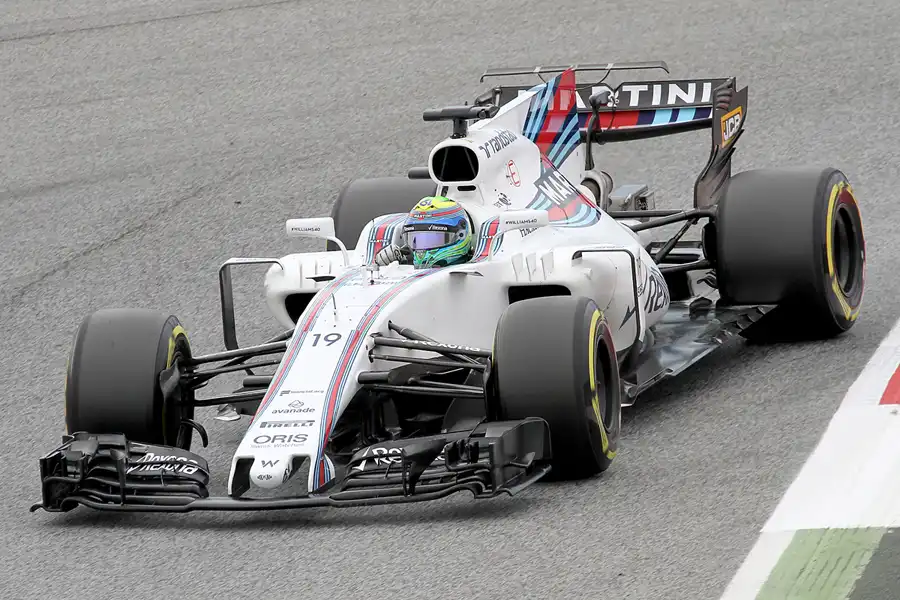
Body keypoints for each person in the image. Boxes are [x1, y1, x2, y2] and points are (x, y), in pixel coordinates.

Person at [374, 196, 474, 269]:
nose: (421, 250)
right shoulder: (407, 259)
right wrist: (386, 263)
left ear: (461, 235)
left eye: (432, 239)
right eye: (416, 240)